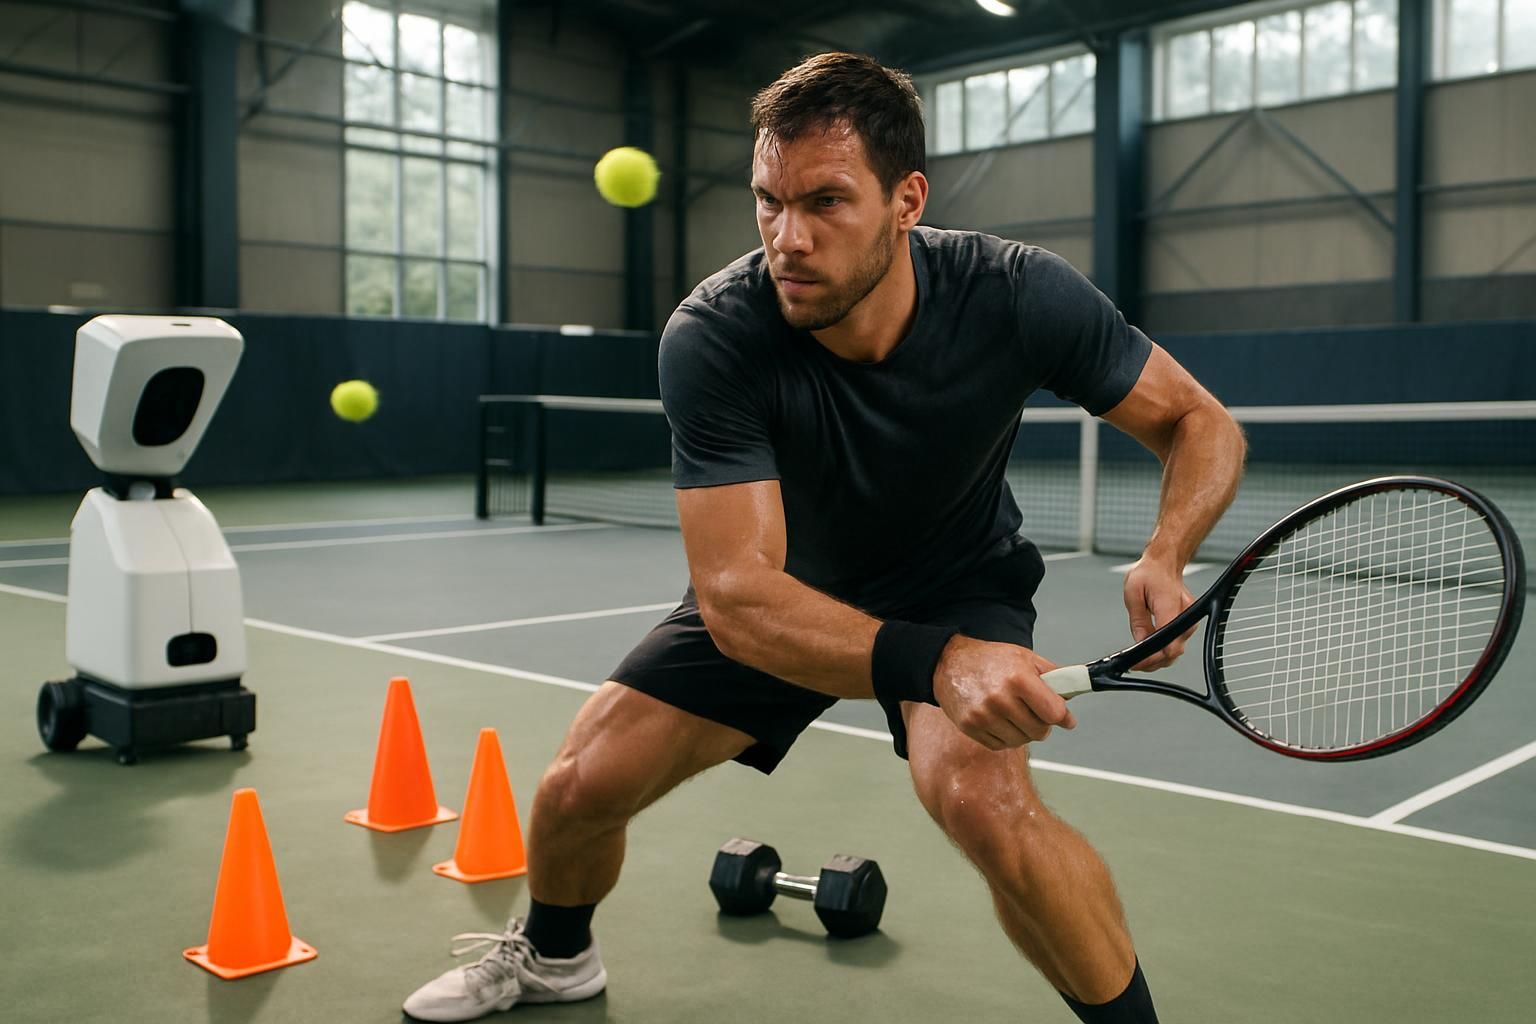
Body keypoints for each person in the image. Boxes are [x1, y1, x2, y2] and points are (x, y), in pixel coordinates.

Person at [403, 51, 1245, 1024]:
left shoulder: (1014, 294)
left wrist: (1167, 551)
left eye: (825, 202)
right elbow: (736, 597)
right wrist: (939, 665)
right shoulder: (716, 335)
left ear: (906, 200)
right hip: (783, 599)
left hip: (954, 582)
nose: (787, 238)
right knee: (577, 786)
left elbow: (1198, 421)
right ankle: (555, 958)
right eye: (768, 200)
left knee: (986, 807)